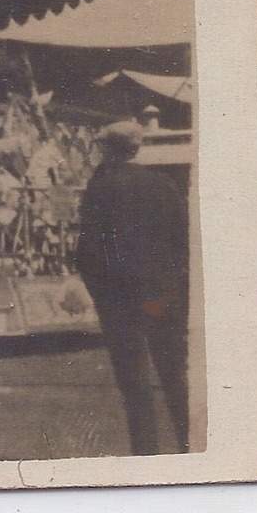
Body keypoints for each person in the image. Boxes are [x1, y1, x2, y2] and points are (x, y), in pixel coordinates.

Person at [77, 120, 190, 455]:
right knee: (173, 374)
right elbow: (182, 242)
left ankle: (147, 454)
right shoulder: (163, 185)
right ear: (137, 147)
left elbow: (88, 250)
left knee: (135, 380)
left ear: (108, 149)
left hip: (119, 299)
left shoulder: (101, 187)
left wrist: (98, 292)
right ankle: (190, 443)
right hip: (159, 295)